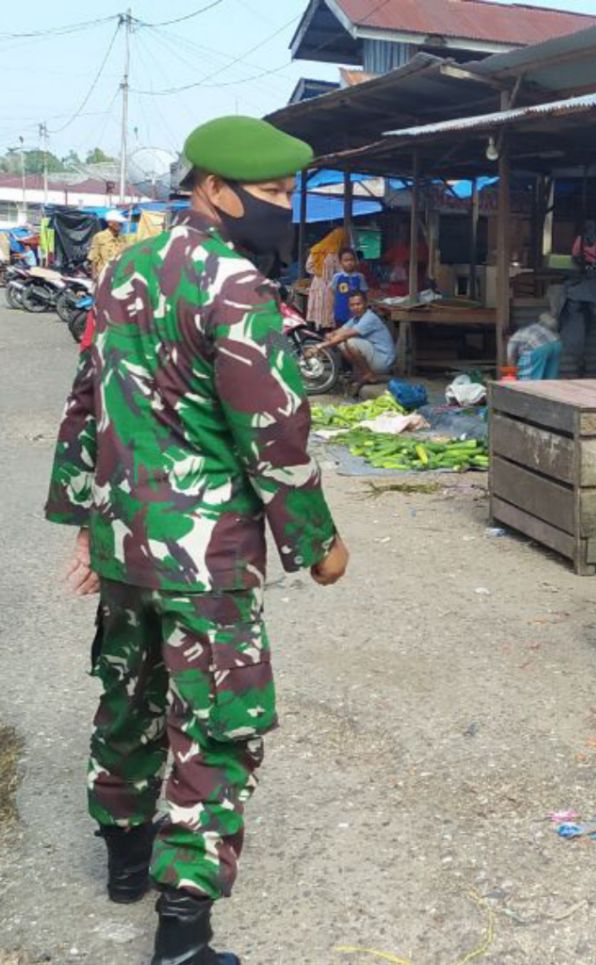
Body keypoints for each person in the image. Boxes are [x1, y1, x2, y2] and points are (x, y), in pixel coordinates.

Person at [45, 115, 349, 965]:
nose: (284, 204)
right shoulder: (237, 285)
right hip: (205, 555)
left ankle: (124, 861)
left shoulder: (125, 270)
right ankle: (182, 935)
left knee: (130, 696)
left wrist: (82, 519)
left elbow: (87, 397)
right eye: (274, 190)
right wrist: (316, 544)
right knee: (215, 726)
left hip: (125, 540)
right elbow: (274, 431)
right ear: (214, 187)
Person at [313, 289, 395, 391]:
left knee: (350, 342)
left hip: (383, 360)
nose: (355, 307)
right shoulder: (355, 319)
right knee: (341, 343)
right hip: (373, 357)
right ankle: (360, 373)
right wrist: (329, 335)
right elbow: (339, 332)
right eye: (352, 305)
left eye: (358, 304)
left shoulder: (369, 318)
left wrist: (320, 346)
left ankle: (368, 374)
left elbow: (344, 335)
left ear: (366, 304)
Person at [506, 310, 563, 380]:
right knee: (550, 378)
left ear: (508, 336)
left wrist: (513, 374)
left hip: (539, 347)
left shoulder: (513, 338)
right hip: (556, 344)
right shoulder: (528, 329)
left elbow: (511, 359)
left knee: (531, 379)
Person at [330, 246, 367, 327]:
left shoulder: (360, 277)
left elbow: (364, 295)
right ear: (341, 262)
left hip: (356, 315)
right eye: (346, 260)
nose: (349, 263)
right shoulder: (337, 277)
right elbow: (332, 295)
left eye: (351, 260)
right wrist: (331, 313)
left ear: (356, 261)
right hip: (340, 314)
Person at [88, 210, 130, 279]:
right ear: (110, 223)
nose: (121, 225)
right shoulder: (99, 237)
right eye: (119, 222)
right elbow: (94, 259)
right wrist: (94, 276)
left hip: (119, 275)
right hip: (105, 277)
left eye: (121, 223)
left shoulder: (123, 238)